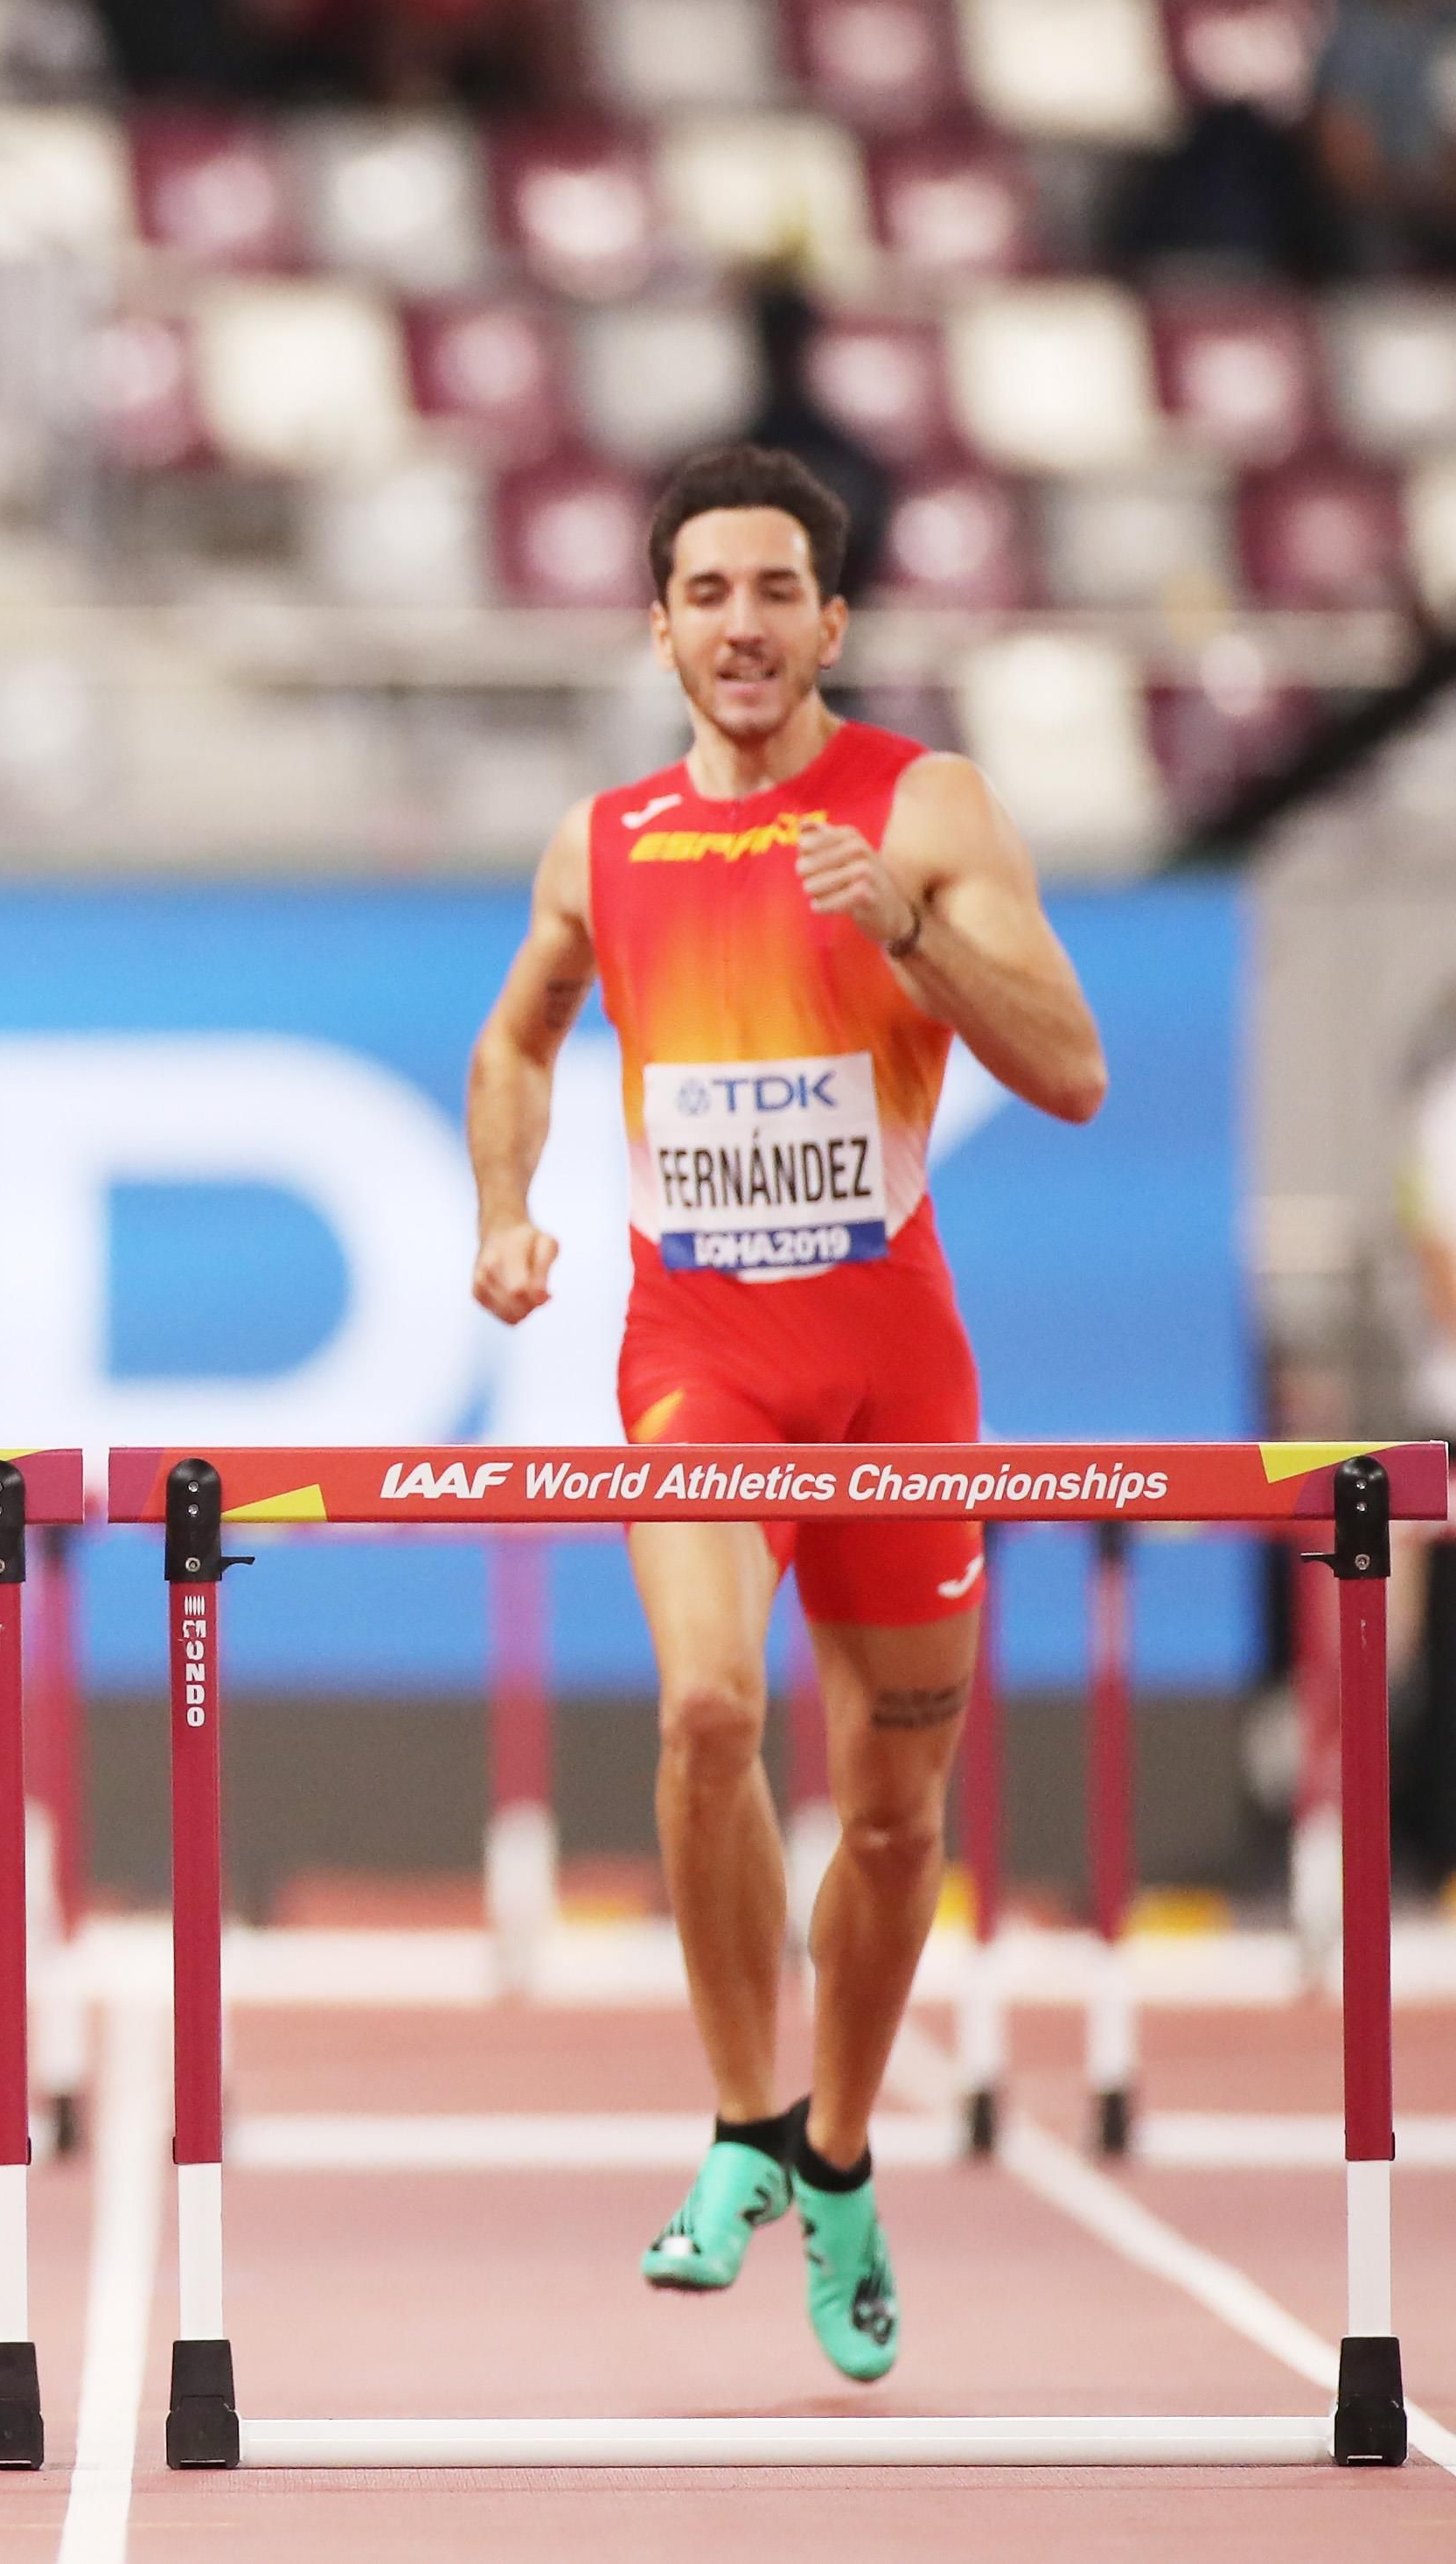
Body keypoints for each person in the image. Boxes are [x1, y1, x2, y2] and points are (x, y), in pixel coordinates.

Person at [465, 444, 1107, 2381]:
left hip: (898, 1356)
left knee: (902, 1815)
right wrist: (504, 1210)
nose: (741, 628)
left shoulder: (926, 803)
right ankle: (746, 2119)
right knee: (707, 1707)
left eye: (775, 595)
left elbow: (1070, 1066)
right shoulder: (605, 839)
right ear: (657, 625)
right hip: (700, 1350)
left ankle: (837, 2152)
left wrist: (904, 926)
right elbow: (514, 1034)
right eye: (706, 594)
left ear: (832, 621)